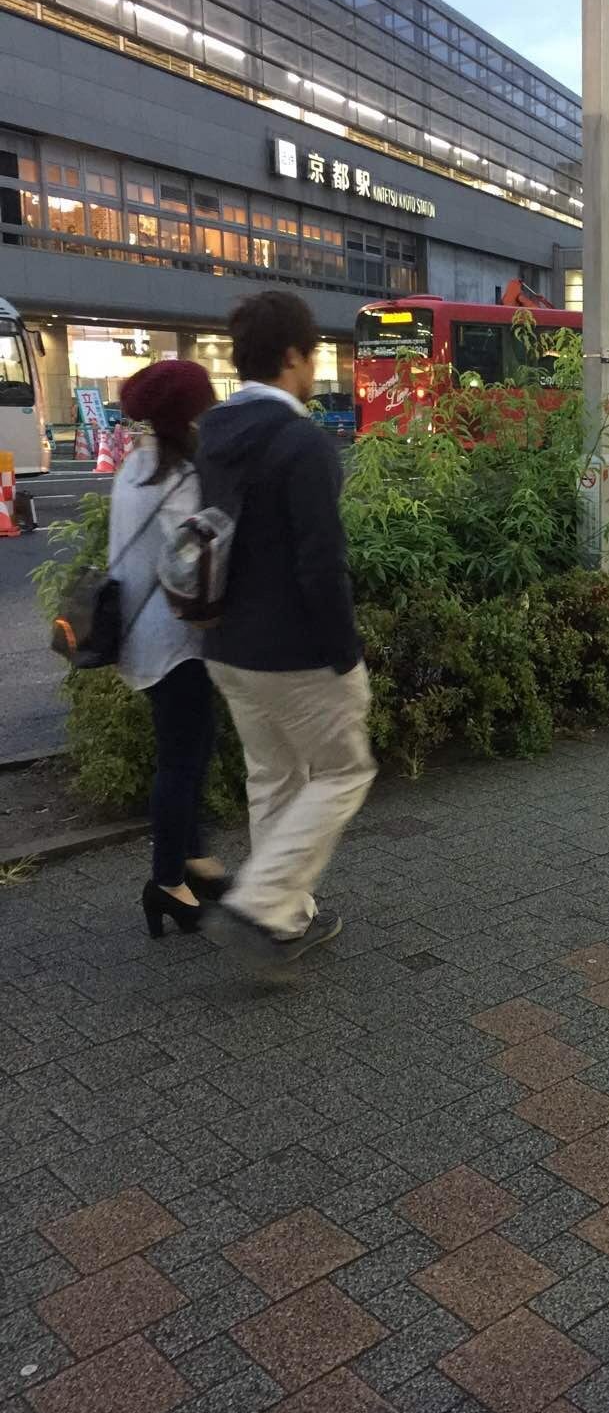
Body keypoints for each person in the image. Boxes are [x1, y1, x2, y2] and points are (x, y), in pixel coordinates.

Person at [197, 291, 375, 961]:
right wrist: (344, 654)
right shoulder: (302, 441)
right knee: (344, 771)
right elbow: (321, 562)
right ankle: (258, 904)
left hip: (224, 642)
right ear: (294, 356)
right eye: (313, 356)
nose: (314, 369)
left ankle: (286, 918)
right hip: (295, 652)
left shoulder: (211, 434)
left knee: (274, 777)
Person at [109, 360, 230, 937]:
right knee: (182, 759)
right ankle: (165, 881)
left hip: (142, 636)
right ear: (189, 416)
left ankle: (193, 857)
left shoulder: (136, 465)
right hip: (175, 643)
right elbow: (197, 563)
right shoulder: (179, 480)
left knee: (191, 747)